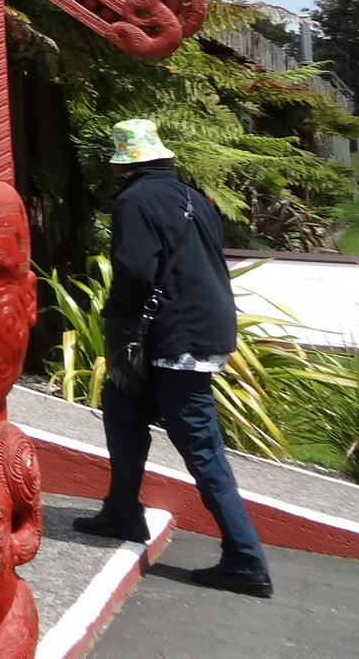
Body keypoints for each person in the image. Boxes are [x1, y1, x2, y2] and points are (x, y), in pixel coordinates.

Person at [75, 118, 273, 597]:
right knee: (121, 408)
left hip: (170, 339)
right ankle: (122, 511)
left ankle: (246, 558)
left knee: (203, 451)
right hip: (203, 330)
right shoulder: (192, 198)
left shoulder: (134, 200)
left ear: (125, 164)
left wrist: (113, 315)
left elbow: (135, 270)